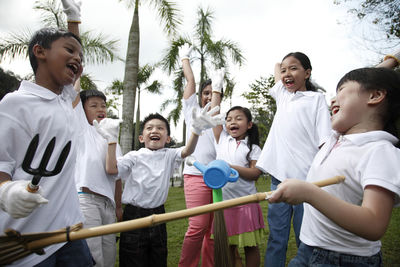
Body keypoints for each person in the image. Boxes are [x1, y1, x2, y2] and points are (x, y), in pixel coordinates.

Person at [268, 54, 400, 266]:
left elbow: (374, 225)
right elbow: (364, 85)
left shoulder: (380, 151)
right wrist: (392, 60)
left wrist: (309, 193)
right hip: (308, 249)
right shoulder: (335, 140)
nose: (332, 100)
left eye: (341, 93)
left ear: (375, 96)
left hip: (342, 258)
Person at [0, 26, 93, 266]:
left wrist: (74, 21)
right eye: (70, 51)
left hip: (69, 233)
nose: (77, 59)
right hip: (26, 241)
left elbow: (72, 68)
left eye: (80, 57)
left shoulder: (65, 100)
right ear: (40, 52)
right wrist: (6, 191)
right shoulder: (15, 104)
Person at [94, 107, 223, 267]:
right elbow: (111, 169)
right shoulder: (134, 156)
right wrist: (112, 140)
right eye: (149, 128)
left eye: (160, 128)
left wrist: (195, 131)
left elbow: (187, 150)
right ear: (141, 137)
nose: (155, 130)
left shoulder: (169, 154)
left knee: (158, 257)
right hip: (134, 215)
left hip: (159, 215)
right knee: (132, 259)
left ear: (167, 138)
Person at [256, 52, 332, 267]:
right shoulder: (283, 94)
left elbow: (324, 141)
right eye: (284, 71)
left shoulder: (317, 99)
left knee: (305, 238)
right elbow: (276, 66)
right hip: (278, 178)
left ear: (308, 73)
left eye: (294, 68)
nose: (286, 73)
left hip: (307, 181)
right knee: (276, 238)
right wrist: (285, 70)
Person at [210, 84, 264, 267]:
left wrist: (230, 167)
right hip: (223, 203)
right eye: (229, 119)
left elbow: (255, 174)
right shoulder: (222, 139)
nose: (232, 122)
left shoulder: (253, 147)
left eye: (238, 118)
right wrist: (217, 88)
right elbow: (213, 114)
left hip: (245, 204)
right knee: (228, 247)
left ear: (249, 125)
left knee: (250, 246)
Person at [178, 44, 220, 267]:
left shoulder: (221, 118)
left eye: (212, 94)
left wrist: (218, 92)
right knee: (198, 226)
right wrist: (185, 58)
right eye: (206, 93)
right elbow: (190, 83)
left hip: (218, 178)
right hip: (195, 174)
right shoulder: (191, 111)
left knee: (213, 231)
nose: (208, 98)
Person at [74, 89, 123, 267]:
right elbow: (73, 97)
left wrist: (118, 207)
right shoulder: (82, 130)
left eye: (103, 105)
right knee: (93, 257)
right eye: (93, 105)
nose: (100, 109)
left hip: (108, 205)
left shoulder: (112, 138)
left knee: (109, 255)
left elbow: (117, 178)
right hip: (87, 201)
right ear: (82, 110)